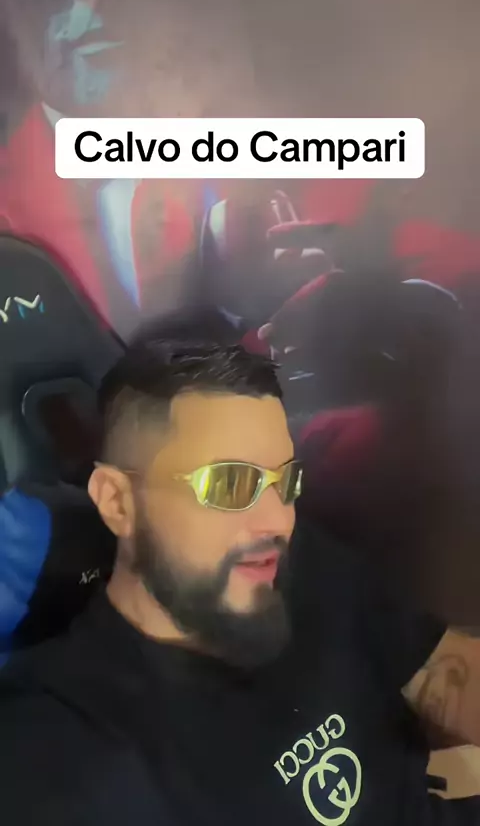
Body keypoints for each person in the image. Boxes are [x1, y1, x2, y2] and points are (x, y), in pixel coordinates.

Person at [1, 339, 480, 825]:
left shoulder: (296, 564)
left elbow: (439, 667)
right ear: (117, 502)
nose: (279, 521)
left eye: (285, 482)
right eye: (229, 483)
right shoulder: (62, 746)